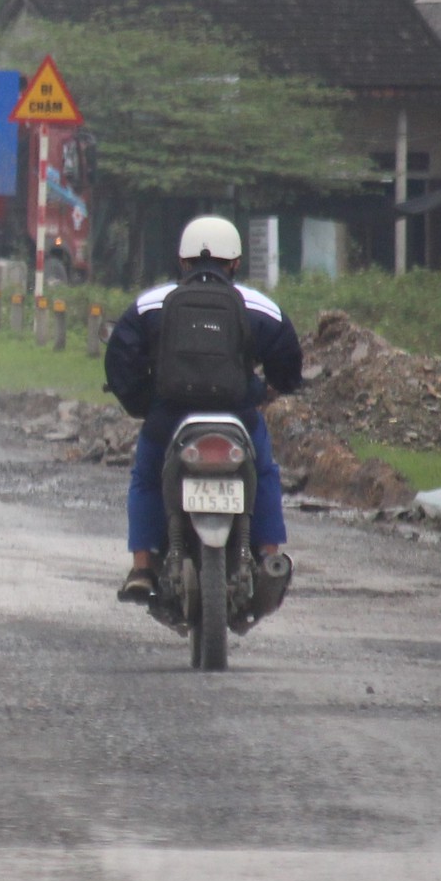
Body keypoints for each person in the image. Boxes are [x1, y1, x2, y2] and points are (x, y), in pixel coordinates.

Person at [101, 215, 303, 602]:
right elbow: (288, 364)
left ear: (182, 261)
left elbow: (121, 361)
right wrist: (268, 390)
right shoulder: (259, 307)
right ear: (236, 263)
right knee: (264, 472)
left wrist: (145, 403)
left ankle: (142, 567)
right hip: (238, 416)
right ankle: (269, 556)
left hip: (170, 418)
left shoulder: (151, 305)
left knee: (146, 478)